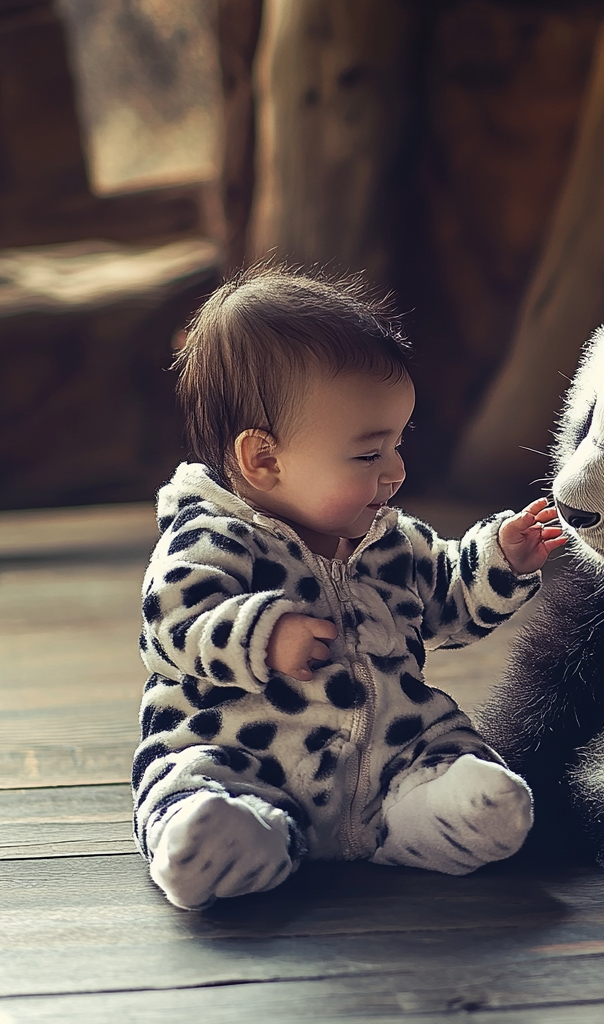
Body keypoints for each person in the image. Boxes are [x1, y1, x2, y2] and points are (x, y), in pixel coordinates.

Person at [133, 267, 565, 910]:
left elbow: (445, 601)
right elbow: (170, 620)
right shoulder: (212, 538)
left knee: (446, 748)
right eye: (368, 454)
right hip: (250, 759)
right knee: (191, 780)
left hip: (386, 756)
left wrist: (499, 559)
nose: (396, 470)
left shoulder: (391, 541)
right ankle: (222, 840)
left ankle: (431, 815)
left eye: (397, 442)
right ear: (265, 461)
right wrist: (264, 634)